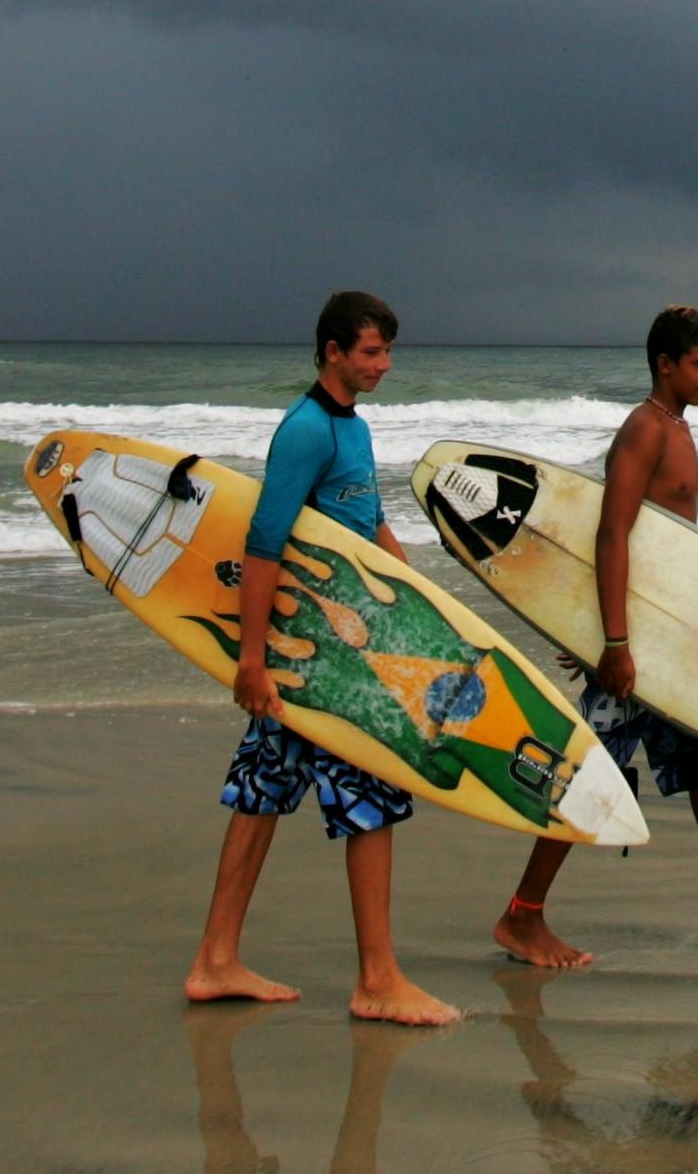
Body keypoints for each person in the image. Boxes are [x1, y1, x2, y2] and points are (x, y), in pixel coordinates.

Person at [490, 305, 698, 968]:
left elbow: (666, 548)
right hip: (635, 654)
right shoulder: (645, 430)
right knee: (589, 769)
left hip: (666, 647)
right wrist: (610, 642)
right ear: (664, 364)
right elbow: (611, 533)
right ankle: (522, 917)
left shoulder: (675, 428)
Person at [183, 289, 458, 1025]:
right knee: (371, 797)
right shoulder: (306, 429)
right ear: (332, 352)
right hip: (319, 659)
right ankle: (378, 979)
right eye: (370, 352)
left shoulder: (354, 429)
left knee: (262, 794)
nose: (384, 365)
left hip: (328, 647)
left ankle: (215, 960)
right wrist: (250, 661)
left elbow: (366, 521)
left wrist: (422, 607)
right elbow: (265, 543)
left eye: (387, 352)